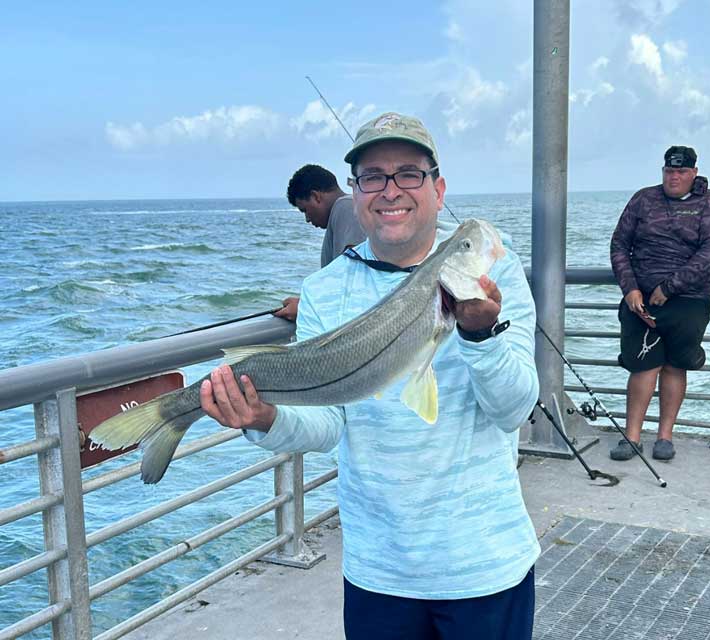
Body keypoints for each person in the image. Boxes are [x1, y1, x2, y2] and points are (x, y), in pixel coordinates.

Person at [199, 112, 540, 639]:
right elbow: (330, 424)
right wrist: (265, 419)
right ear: (355, 193)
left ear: (438, 187)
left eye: (409, 173)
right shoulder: (323, 291)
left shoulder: (498, 274)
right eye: (372, 177)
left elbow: (514, 409)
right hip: (378, 569)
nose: (390, 190)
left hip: (483, 563)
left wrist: (479, 336)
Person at [609, 145, 710, 462]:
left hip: (688, 299)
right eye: (668, 171)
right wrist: (630, 288)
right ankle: (631, 436)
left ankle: (665, 435)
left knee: (676, 365)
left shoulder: (709, 203)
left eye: (680, 172)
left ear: (693, 173)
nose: (673, 177)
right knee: (642, 365)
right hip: (641, 299)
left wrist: (671, 287)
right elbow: (619, 244)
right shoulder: (643, 199)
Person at [276, 164, 365, 321]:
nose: (307, 219)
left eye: (305, 210)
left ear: (316, 196)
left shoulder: (345, 207)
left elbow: (356, 279)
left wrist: (306, 309)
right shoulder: (343, 210)